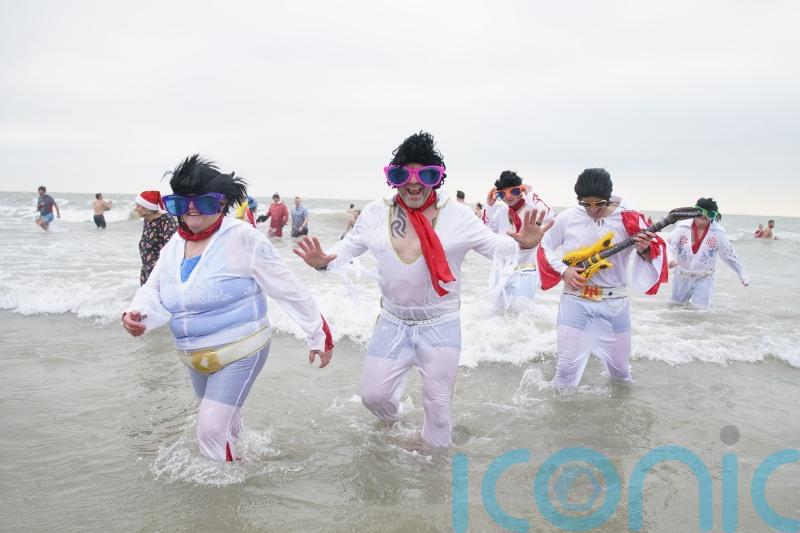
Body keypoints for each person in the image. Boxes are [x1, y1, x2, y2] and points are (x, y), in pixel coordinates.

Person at [293, 132, 550, 448]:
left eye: (426, 174)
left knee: (438, 413)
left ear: (437, 179)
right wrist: (323, 261)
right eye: (403, 174)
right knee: (373, 398)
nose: (414, 184)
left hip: (439, 324)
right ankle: (397, 429)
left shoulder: (456, 215)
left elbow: (497, 247)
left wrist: (524, 244)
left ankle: (436, 482)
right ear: (392, 178)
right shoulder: (376, 212)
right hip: (392, 322)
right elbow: (347, 248)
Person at [122, 155, 333, 461]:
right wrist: (137, 314)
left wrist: (318, 332)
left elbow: (288, 288)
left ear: (221, 204)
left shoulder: (243, 239)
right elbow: (153, 290)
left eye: (203, 202)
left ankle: (221, 496)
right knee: (225, 424)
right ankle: (244, 464)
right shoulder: (173, 246)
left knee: (209, 430)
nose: (192, 210)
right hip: (194, 355)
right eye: (183, 203)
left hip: (241, 350)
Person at [538, 168, 667, 390]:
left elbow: (654, 254)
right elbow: (544, 246)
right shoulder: (568, 217)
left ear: (609, 197)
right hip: (576, 300)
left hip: (615, 302)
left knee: (621, 372)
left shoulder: (630, 218)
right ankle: (561, 421)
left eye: (599, 204)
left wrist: (645, 249)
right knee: (566, 370)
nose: (593, 210)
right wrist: (563, 270)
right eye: (586, 204)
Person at [484, 171, 555, 313]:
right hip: (503, 266)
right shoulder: (500, 212)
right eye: (503, 194)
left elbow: (549, 216)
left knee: (520, 311)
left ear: (521, 190)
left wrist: (530, 196)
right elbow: (485, 233)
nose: (509, 197)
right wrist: (489, 206)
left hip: (528, 266)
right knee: (497, 311)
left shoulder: (532, 208)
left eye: (514, 191)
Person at [668, 197, 749, 310]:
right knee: (674, 308)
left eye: (709, 213)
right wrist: (670, 259)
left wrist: (742, 274)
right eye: (701, 211)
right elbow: (670, 245)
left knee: (700, 312)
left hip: (704, 278)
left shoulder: (718, 232)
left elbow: (728, 255)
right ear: (694, 211)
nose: (704, 215)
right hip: (681, 276)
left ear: (714, 216)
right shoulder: (682, 226)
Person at [134, 190, 177, 285]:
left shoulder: (165, 221)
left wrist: (159, 267)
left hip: (159, 273)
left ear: (148, 209)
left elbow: (172, 247)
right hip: (146, 269)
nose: (135, 209)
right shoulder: (147, 220)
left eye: (138, 206)